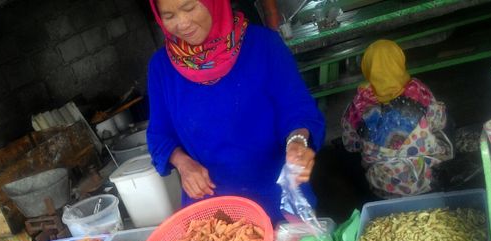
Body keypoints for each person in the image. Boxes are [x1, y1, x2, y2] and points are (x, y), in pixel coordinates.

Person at [146, 0, 325, 224]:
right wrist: (183, 164)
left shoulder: (263, 46)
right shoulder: (161, 67)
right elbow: (158, 135)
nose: (182, 23)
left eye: (189, 8)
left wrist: (298, 141)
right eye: (169, 16)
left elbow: (298, 109)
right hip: (212, 211)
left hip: (279, 197)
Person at [342, 39, 454, 198]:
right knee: (443, 121)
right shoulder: (418, 92)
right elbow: (440, 122)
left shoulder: (357, 106)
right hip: (428, 180)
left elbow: (350, 145)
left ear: (367, 68)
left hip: (383, 188)